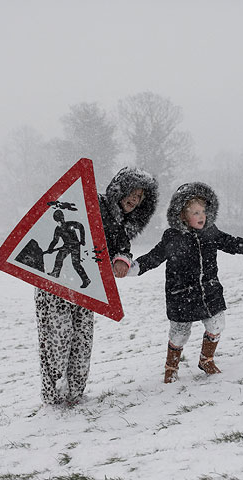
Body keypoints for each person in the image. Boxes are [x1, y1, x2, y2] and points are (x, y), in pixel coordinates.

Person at [128, 182, 243, 383]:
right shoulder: (172, 237)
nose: (201, 216)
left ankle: (206, 359)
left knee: (217, 324)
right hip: (181, 296)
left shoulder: (211, 232)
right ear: (182, 215)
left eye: (203, 211)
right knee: (179, 335)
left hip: (209, 292)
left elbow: (232, 242)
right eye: (195, 212)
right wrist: (134, 268)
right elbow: (153, 257)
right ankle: (171, 367)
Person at [34, 166, 158, 406]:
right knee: (57, 341)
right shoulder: (91, 201)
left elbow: (122, 248)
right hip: (56, 285)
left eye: (140, 196)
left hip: (87, 288)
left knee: (81, 342)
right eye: (132, 191)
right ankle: (53, 396)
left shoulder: (124, 222)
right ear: (119, 188)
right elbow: (56, 217)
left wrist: (121, 260)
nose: (134, 199)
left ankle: (75, 394)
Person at [45, 210, 91, 288]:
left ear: (63, 217)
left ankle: (86, 280)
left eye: (61, 219)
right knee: (59, 257)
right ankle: (55, 273)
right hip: (66, 246)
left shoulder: (70, 224)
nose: (61, 221)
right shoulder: (58, 229)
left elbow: (81, 226)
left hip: (75, 245)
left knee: (76, 264)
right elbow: (55, 240)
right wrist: (50, 248)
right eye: (59, 220)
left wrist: (82, 239)